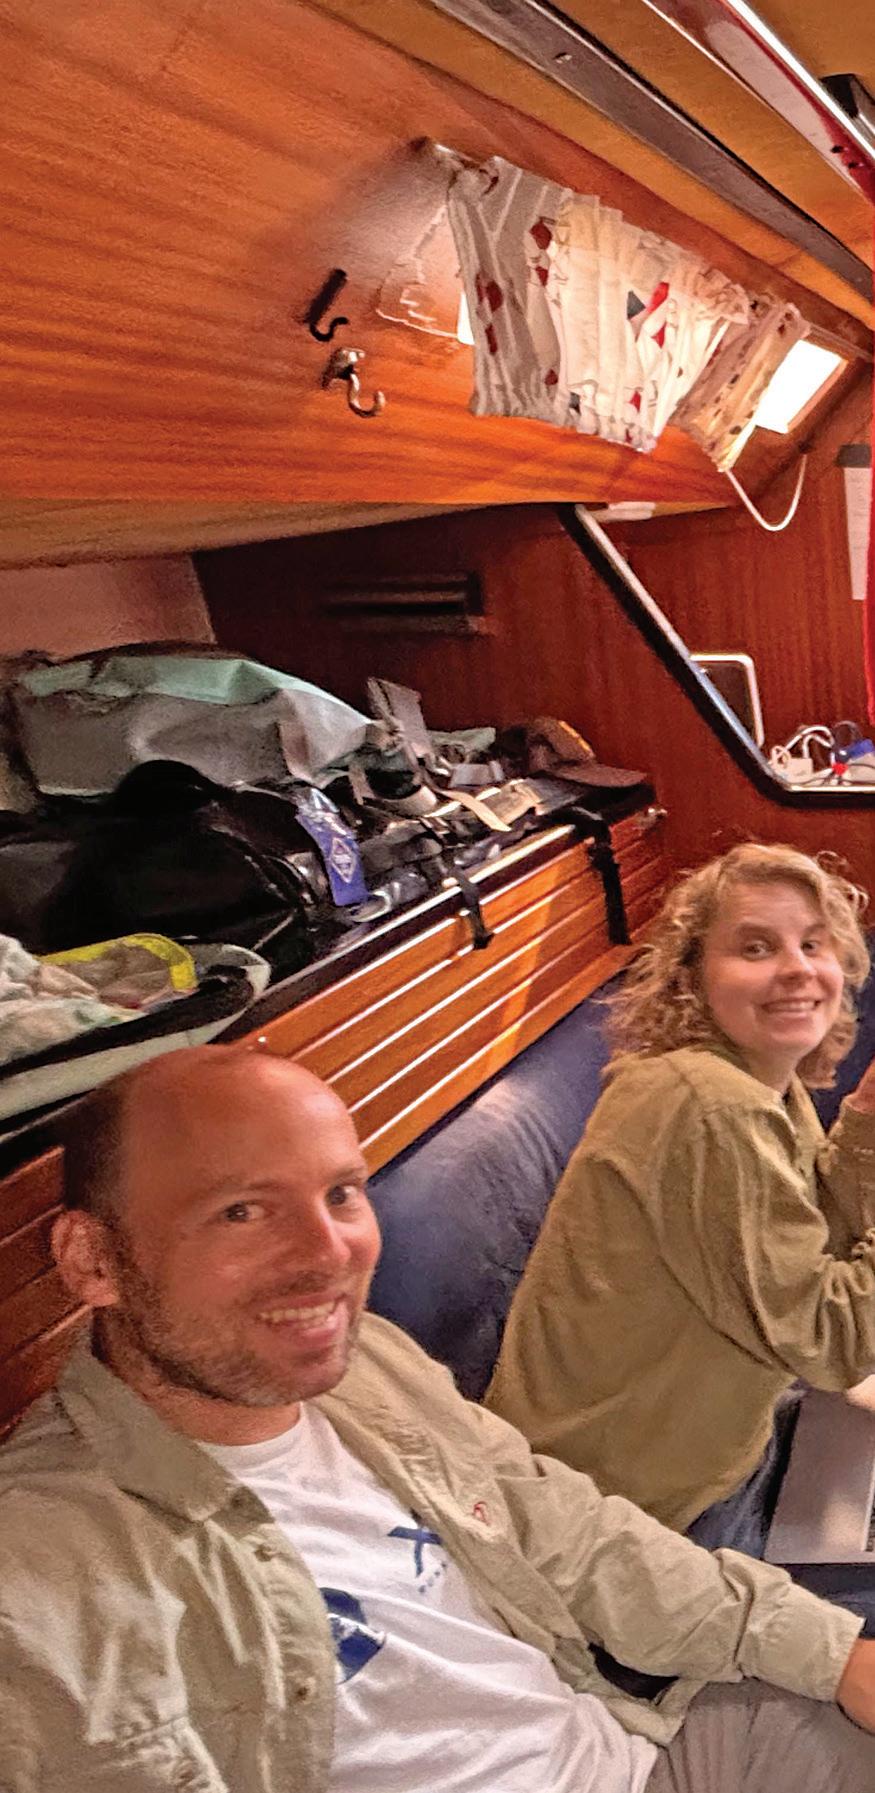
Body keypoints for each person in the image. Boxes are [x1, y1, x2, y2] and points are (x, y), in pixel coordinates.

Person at [3, 1046, 875, 1793]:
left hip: (639, 1748)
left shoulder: (368, 1366)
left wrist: (833, 1653)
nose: (326, 1252)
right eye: (242, 1210)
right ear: (93, 1260)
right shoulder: (42, 1580)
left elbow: (572, 1534)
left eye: (342, 1193)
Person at [486, 842, 875, 1564]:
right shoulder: (709, 1105)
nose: (797, 968)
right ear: (691, 975)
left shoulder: (755, 1082)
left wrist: (864, 1117)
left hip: (716, 1446)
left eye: (813, 943)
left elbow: (807, 1241)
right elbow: (833, 1342)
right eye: (755, 947)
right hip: (645, 1521)